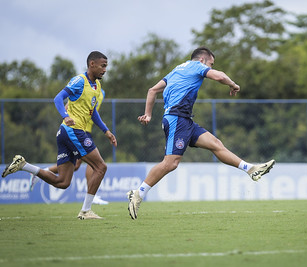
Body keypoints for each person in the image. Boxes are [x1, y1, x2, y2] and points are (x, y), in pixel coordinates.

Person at [127, 47, 275, 220]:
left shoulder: (177, 69)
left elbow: (152, 90)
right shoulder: (196, 66)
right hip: (176, 119)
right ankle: (138, 193)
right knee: (171, 163)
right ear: (203, 60)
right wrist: (233, 84)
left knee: (216, 144)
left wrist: (149, 114)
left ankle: (251, 169)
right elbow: (219, 76)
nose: (210, 68)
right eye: (211, 64)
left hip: (185, 120)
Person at [2, 51, 117, 219]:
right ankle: (86, 211)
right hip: (73, 131)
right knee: (101, 167)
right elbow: (58, 98)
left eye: (106, 66)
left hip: (65, 133)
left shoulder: (96, 87)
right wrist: (66, 116)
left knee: (62, 182)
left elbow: (93, 114)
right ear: (92, 64)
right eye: (103, 66)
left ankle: (24, 166)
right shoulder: (79, 81)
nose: (105, 70)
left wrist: (106, 131)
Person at [29, 91, 109, 205]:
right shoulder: (84, 88)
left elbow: (92, 112)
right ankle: (91, 196)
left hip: (86, 130)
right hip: (78, 131)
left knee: (76, 166)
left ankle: (40, 173)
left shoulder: (101, 92)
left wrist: (101, 124)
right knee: (97, 164)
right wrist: (69, 119)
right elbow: (67, 107)